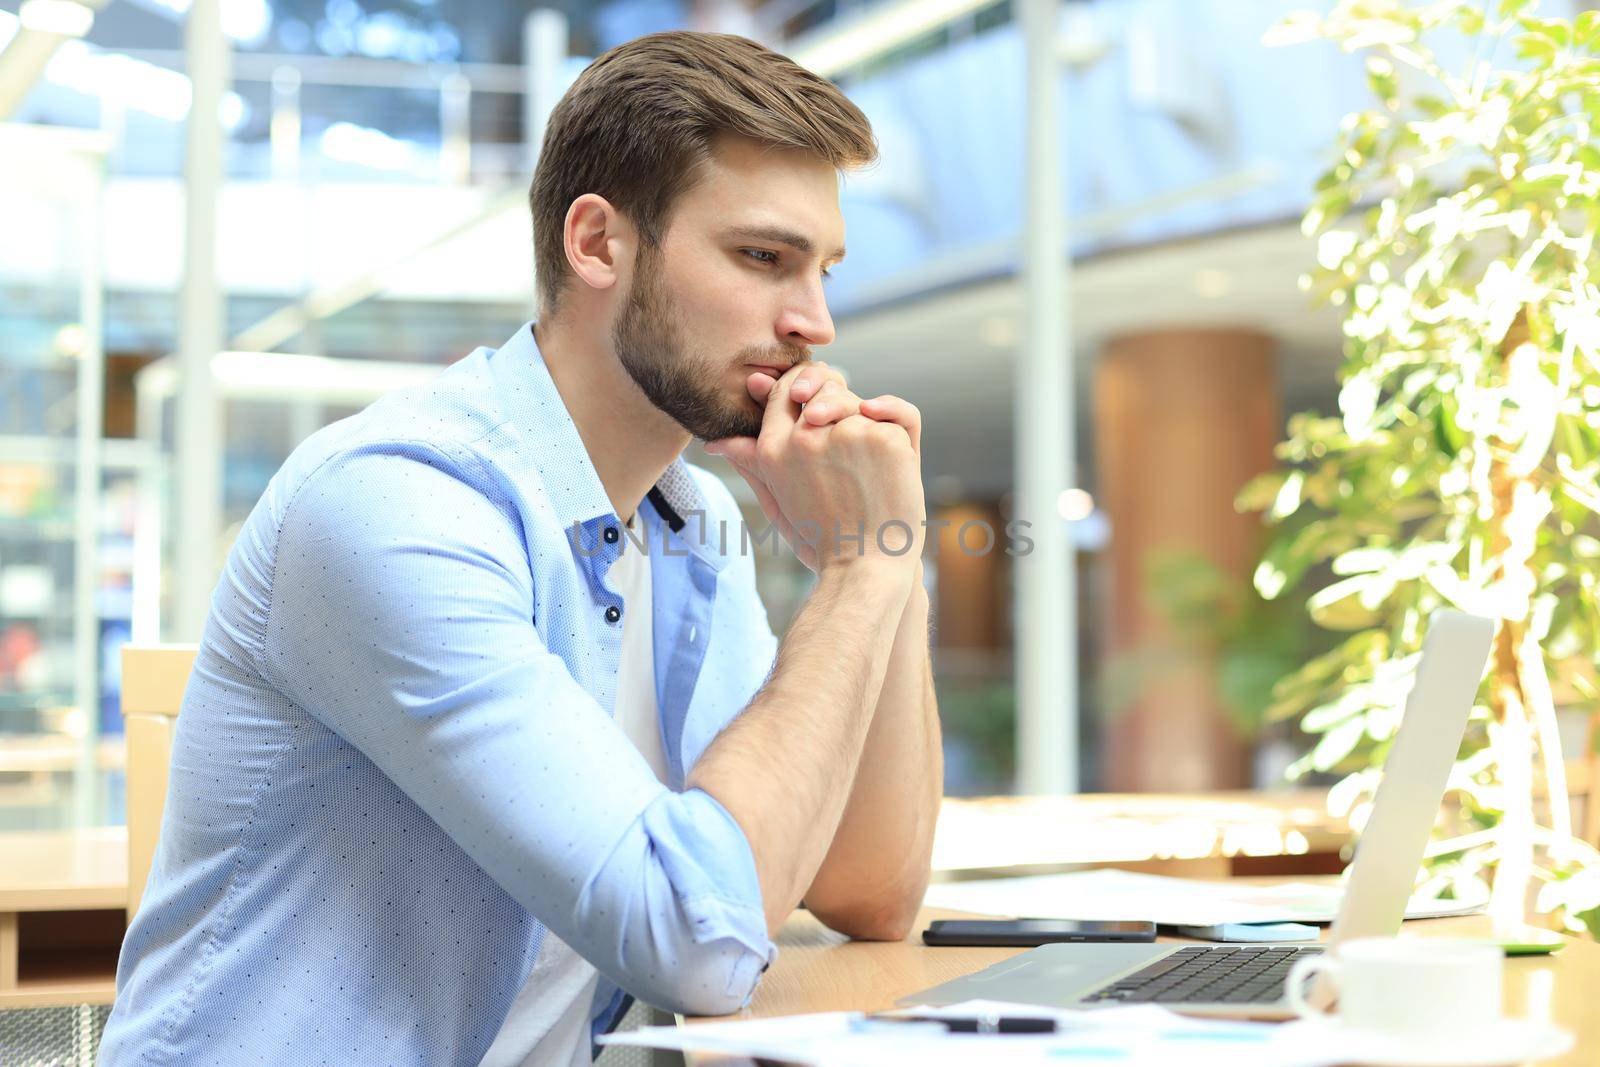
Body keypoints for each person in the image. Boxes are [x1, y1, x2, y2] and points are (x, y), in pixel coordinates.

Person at [99, 29, 941, 1067]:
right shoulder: (398, 504)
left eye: (822, 269)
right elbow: (695, 937)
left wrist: (888, 557)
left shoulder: (688, 522)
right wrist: (859, 573)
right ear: (596, 244)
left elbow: (870, 886)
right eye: (762, 257)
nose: (812, 320)